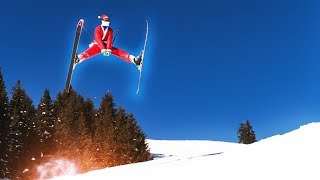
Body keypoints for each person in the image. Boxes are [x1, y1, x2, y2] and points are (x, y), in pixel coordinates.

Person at [75, 14, 143, 68]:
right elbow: (98, 38)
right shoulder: (97, 29)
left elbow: (109, 40)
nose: (107, 21)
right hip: (98, 44)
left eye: (108, 20)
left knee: (117, 51)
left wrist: (108, 49)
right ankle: (78, 58)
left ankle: (134, 60)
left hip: (106, 45)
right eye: (105, 20)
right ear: (102, 20)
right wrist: (103, 49)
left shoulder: (110, 30)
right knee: (90, 52)